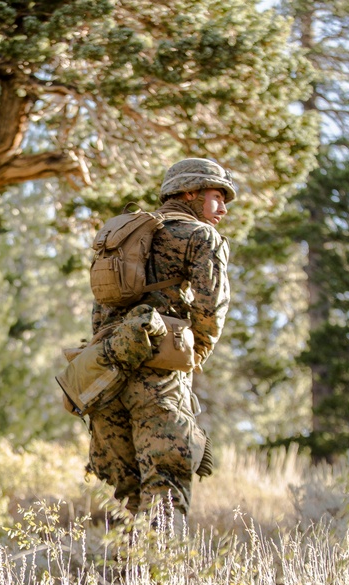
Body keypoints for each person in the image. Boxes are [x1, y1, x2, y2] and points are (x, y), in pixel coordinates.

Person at [86, 158, 233, 521]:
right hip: (159, 379)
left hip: (105, 374)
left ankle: (123, 575)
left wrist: (114, 354)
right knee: (165, 489)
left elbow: (100, 306)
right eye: (218, 197)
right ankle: (158, 576)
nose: (224, 208)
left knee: (126, 496)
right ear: (190, 192)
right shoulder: (201, 236)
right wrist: (194, 355)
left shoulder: (127, 232)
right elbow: (211, 309)